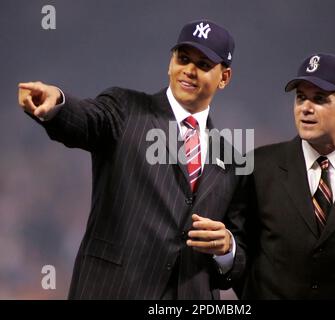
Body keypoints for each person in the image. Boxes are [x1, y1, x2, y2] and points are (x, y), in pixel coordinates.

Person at [18, 19, 244, 299]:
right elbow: (87, 120)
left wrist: (227, 248)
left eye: (203, 64)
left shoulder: (232, 158)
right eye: (183, 58)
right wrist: (58, 105)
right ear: (170, 62)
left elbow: (240, 255)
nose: (189, 70)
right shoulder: (126, 110)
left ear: (224, 77)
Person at [231, 53, 335, 299]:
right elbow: (242, 253)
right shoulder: (258, 167)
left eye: (319, 99)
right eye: (300, 98)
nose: (305, 109)